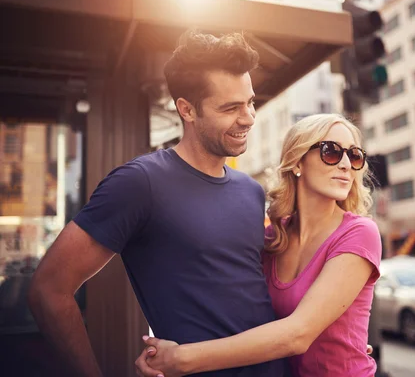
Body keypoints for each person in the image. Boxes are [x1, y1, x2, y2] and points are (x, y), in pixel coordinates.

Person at [28, 29, 288, 377]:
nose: (248, 118)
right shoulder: (140, 183)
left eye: (250, 102)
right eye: (231, 108)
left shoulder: (250, 191)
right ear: (186, 110)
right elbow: (48, 290)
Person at [135, 113, 383, 377]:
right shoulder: (272, 239)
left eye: (354, 155)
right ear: (298, 161)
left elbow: (297, 334)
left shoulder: (359, 232)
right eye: (331, 151)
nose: (345, 164)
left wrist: (181, 360)